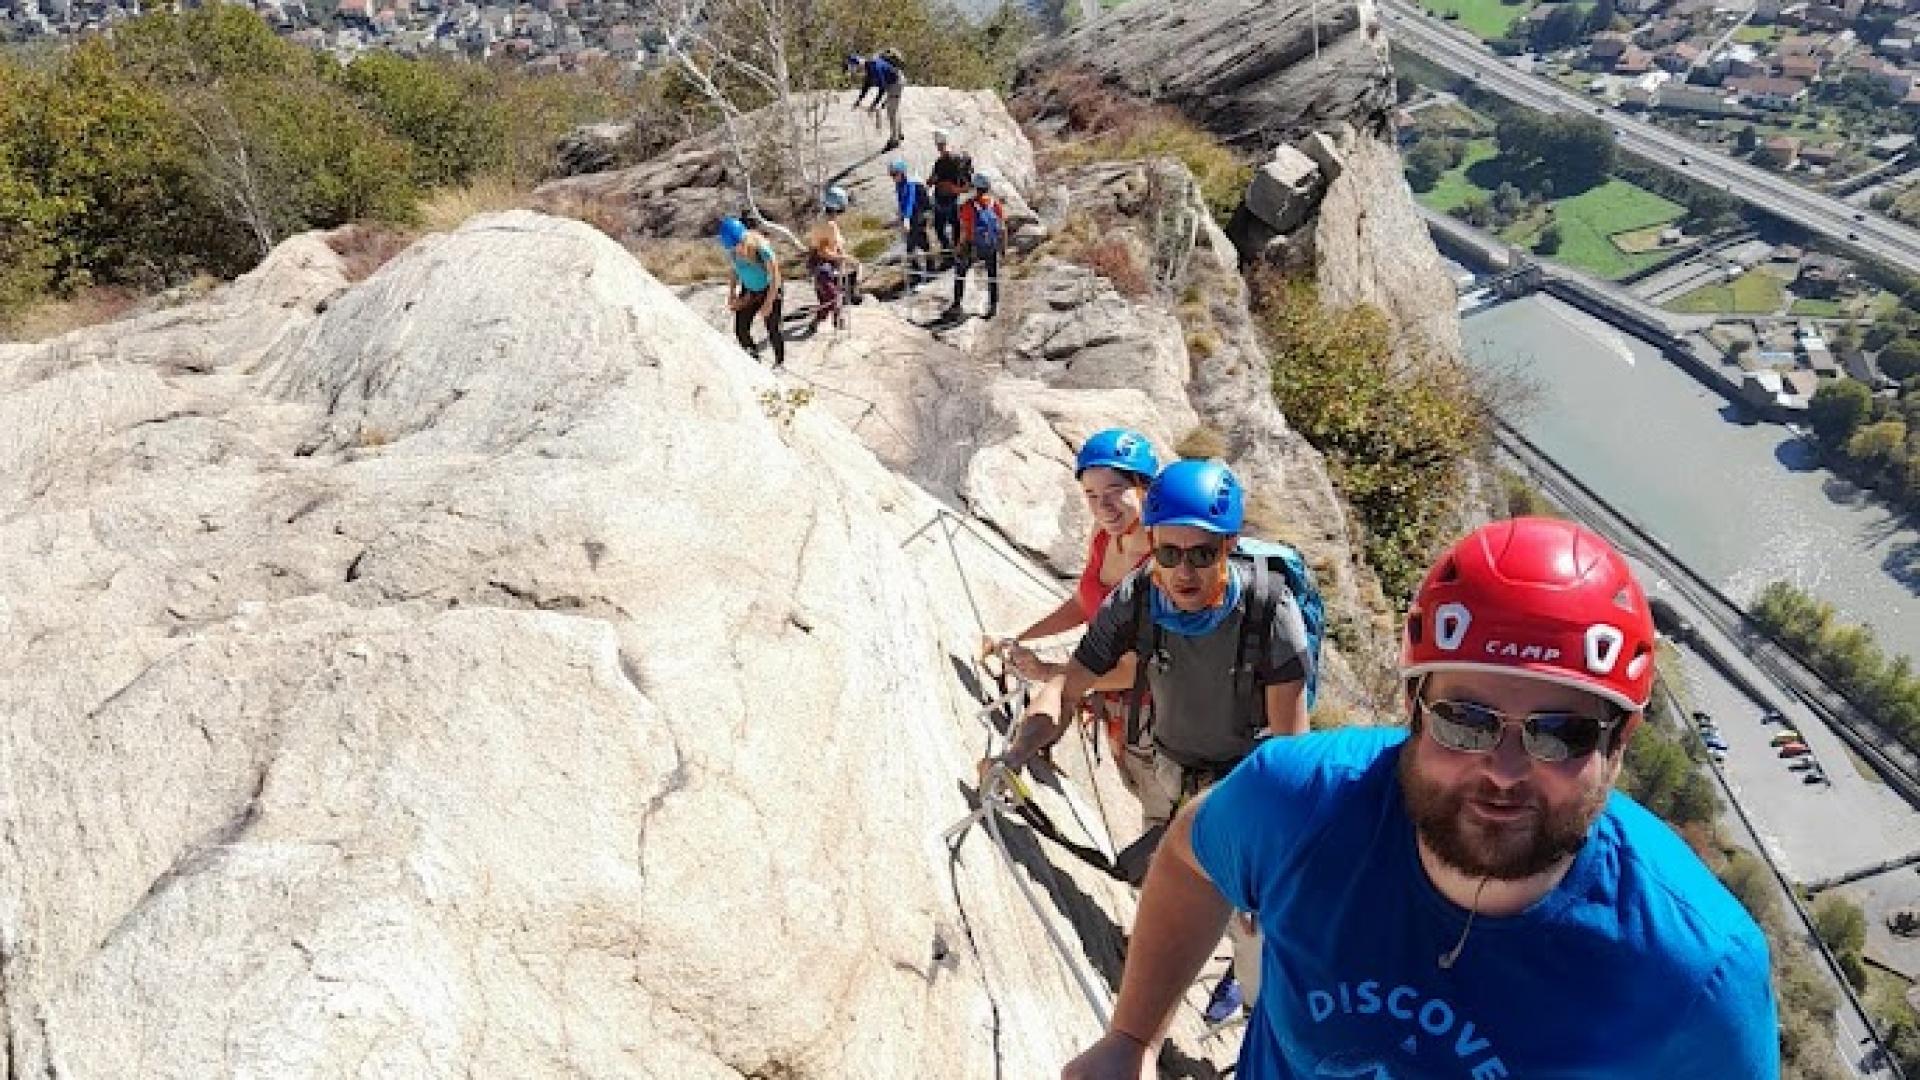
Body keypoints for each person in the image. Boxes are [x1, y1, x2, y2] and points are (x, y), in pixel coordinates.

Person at [1061, 516, 1780, 1080]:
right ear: (1413, 703)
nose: (1502, 770)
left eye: (1560, 733)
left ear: (1621, 740)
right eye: (1463, 720)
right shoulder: (1299, 800)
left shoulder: (1697, 973)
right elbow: (1190, 858)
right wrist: (1132, 1039)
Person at [995, 458, 1315, 1023]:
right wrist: (1017, 754)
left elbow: (1290, 747)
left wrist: (1276, 851)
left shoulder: (1269, 611)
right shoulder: (1138, 597)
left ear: (1231, 544)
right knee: (1166, 878)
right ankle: (1155, 978)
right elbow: (1069, 689)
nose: (1184, 571)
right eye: (1169, 553)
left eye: (1202, 554)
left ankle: (1250, 1000)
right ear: (1154, 547)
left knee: (1250, 920)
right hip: (1167, 765)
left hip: (1243, 784)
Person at [987, 428, 1160, 767]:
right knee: (1061, 686)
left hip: (1148, 695)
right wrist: (1019, 637)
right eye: (1091, 495)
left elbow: (1136, 670)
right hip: (1107, 670)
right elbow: (1084, 603)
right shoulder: (1104, 536)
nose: (1103, 507)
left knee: (1058, 686)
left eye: (1114, 491)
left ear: (1145, 488)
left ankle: (1008, 765)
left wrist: (1055, 671)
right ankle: (1015, 763)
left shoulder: (1161, 562)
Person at [719, 215, 784, 368]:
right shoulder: (734, 250)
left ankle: (779, 362)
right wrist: (732, 292)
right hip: (749, 290)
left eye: (737, 245)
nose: (735, 250)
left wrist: (768, 303)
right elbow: (735, 271)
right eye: (732, 247)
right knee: (740, 329)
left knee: (772, 328)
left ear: (743, 239)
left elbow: (775, 277)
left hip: (769, 289)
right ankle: (754, 360)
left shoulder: (762, 249)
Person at [949, 171, 1007, 320]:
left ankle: (957, 304)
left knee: (960, 273)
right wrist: (1003, 248)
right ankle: (993, 305)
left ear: (975, 188)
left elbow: (964, 230)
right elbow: (1002, 227)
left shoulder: (968, 206)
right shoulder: (995, 204)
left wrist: (959, 247)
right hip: (991, 245)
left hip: (972, 245)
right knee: (992, 275)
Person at [808, 185, 861, 328]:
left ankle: (830, 320)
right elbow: (822, 251)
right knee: (832, 296)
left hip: (830, 263)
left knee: (830, 297)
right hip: (823, 266)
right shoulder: (826, 224)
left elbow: (835, 244)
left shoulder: (830, 222)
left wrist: (843, 254)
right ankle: (834, 321)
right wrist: (842, 258)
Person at [928, 129, 972, 265]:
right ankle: (952, 254)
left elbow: (967, 184)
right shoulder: (944, 161)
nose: (940, 147)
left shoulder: (954, 161)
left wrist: (955, 189)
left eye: (940, 145)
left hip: (948, 199)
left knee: (948, 227)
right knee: (946, 227)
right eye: (939, 145)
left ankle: (953, 255)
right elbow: (934, 178)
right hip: (945, 199)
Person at [888, 159, 935, 289]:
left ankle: (920, 273)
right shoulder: (899, 185)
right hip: (912, 218)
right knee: (923, 244)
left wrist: (906, 219)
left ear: (902, 173)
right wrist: (901, 217)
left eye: (894, 174)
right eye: (891, 175)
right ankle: (928, 271)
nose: (893, 177)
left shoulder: (910, 184)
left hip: (917, 218)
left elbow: (909, 201)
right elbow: (901, 201)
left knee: (912, 248)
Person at [847, 52, 905, 150]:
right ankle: (899, 133)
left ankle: (894, 140)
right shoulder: (868, 67)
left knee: (891, 112)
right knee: (893, 108)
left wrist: (874, 104)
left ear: (859, 65)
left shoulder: (874, 67)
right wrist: (859, 100)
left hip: (896, 82)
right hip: (892, 82)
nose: (857, 72)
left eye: (856, 69)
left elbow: (882, 88)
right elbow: (866, 86)